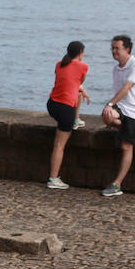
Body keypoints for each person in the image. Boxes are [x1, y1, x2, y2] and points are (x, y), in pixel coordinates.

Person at [101, 35, 135, 198]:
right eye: (112, 48)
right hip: (122, 108)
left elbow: (126, 88)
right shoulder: (116, 69)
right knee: (106, 115)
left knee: (126, 146)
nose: (114, 51)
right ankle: (122, 126)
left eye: (117, 48)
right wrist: (111, 107)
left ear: (127, 49)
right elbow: (117, 92)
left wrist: (110, 103)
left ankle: (117, 184)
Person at [46, 41, 90, 189]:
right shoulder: (83, 66)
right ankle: (53, 179)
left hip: (52, 105)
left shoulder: (59, 64)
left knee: (78, 94)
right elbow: (79, 81)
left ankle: (76, 120)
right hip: (66, 109)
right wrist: (82, 89)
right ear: (81, 53)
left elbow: (72, 82)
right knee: (59, 145)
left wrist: (82, 90)